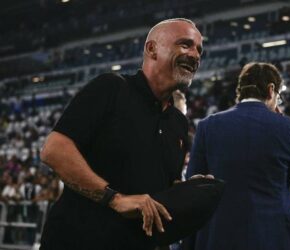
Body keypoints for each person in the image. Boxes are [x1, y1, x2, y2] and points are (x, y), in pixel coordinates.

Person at [39, 18, 203, 250]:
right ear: (152, 49)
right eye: (185, 44)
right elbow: (53, 150)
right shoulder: (111, 89)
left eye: (199, 50)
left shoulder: (178, 122)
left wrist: (187, 190)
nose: (195, 55)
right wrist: (114, 199)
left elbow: (165, 185)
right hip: (78, 240)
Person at [186, 62, 290, 250]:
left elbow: (193, 186)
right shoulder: (288, 127)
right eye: (279, 98)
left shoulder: (207, 126)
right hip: (273, 238)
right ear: (271, 89)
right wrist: (289, 133)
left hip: (219, 238)